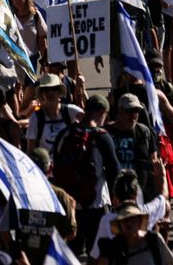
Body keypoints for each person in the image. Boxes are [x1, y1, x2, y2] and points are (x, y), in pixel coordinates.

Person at [54, 94, 121, 252]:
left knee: (70, 253)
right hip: (97, 204)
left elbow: (56, 168)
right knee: (98, 252)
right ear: (102, 113)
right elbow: (114, 171)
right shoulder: (102, 137)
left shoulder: (64, 135)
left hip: (70, 205)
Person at [96, 200, 173, 265]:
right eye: (124, 220)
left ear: (140, 222)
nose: (128, 223)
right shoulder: (112, 248)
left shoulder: (153, 240)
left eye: (132, 218)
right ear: (119, 225)